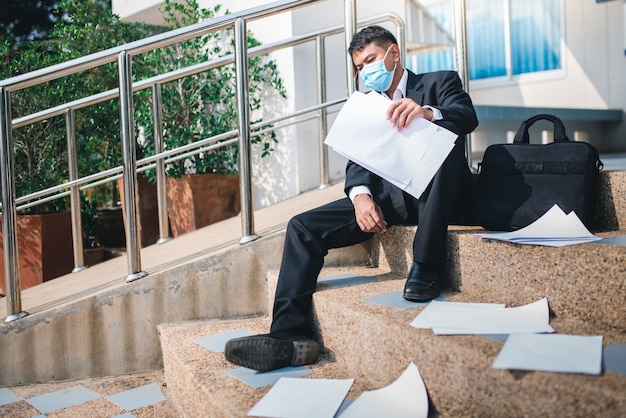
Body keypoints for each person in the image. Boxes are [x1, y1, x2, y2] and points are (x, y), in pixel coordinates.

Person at [225, 25, 478, 372]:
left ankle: (426, 266)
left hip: (437, 193)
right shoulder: (366, 106)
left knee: (445, 143)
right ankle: (289, 336)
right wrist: (360, 197)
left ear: (394, 53)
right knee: (301, 227)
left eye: (370, 60)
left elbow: (466, 116)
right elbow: (358, 162)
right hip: (389, 201)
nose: (365, 71)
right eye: (359, 67)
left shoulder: (438, 82)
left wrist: (427, 113)